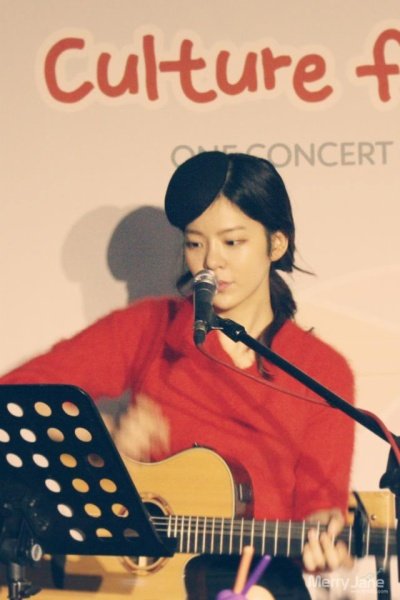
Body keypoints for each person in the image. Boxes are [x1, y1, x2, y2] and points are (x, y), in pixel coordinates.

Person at [0, 151, 355, 599]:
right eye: (194, 243)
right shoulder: (151, 326)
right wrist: (99, 440)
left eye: (232, 242)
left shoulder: (321, 370)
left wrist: (326, 536)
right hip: (140, 581)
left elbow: (320, 508)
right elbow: (15, 399)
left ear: (276, 244)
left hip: (254, 580)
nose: (211, 262)